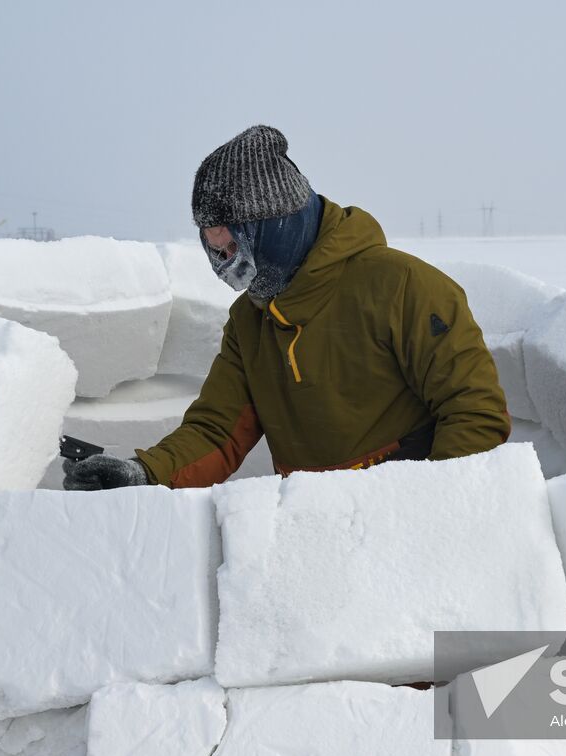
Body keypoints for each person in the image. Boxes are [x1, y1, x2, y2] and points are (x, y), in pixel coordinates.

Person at [62, 124, 510, 490]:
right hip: (306, 534)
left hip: (400, 527)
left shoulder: (403, 286)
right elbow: (217, 432)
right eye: (216, 250)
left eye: (233, 245)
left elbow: (476, 415)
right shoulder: (250, 322)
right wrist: (145, 474)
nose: (227, 265)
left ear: (276, 226)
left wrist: (424, 517)